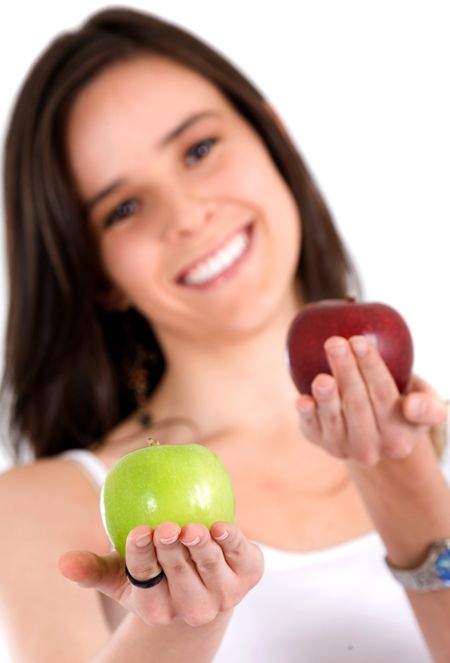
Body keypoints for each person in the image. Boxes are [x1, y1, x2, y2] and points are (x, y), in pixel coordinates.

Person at [0, 7, 449, 662]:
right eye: (123, 208)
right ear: (100, 275)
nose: (187, 215)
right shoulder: (42, 509)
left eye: (199, 149)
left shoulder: (429, 446)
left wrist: (402, 482)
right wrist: (178, 624)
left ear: (274, 135)